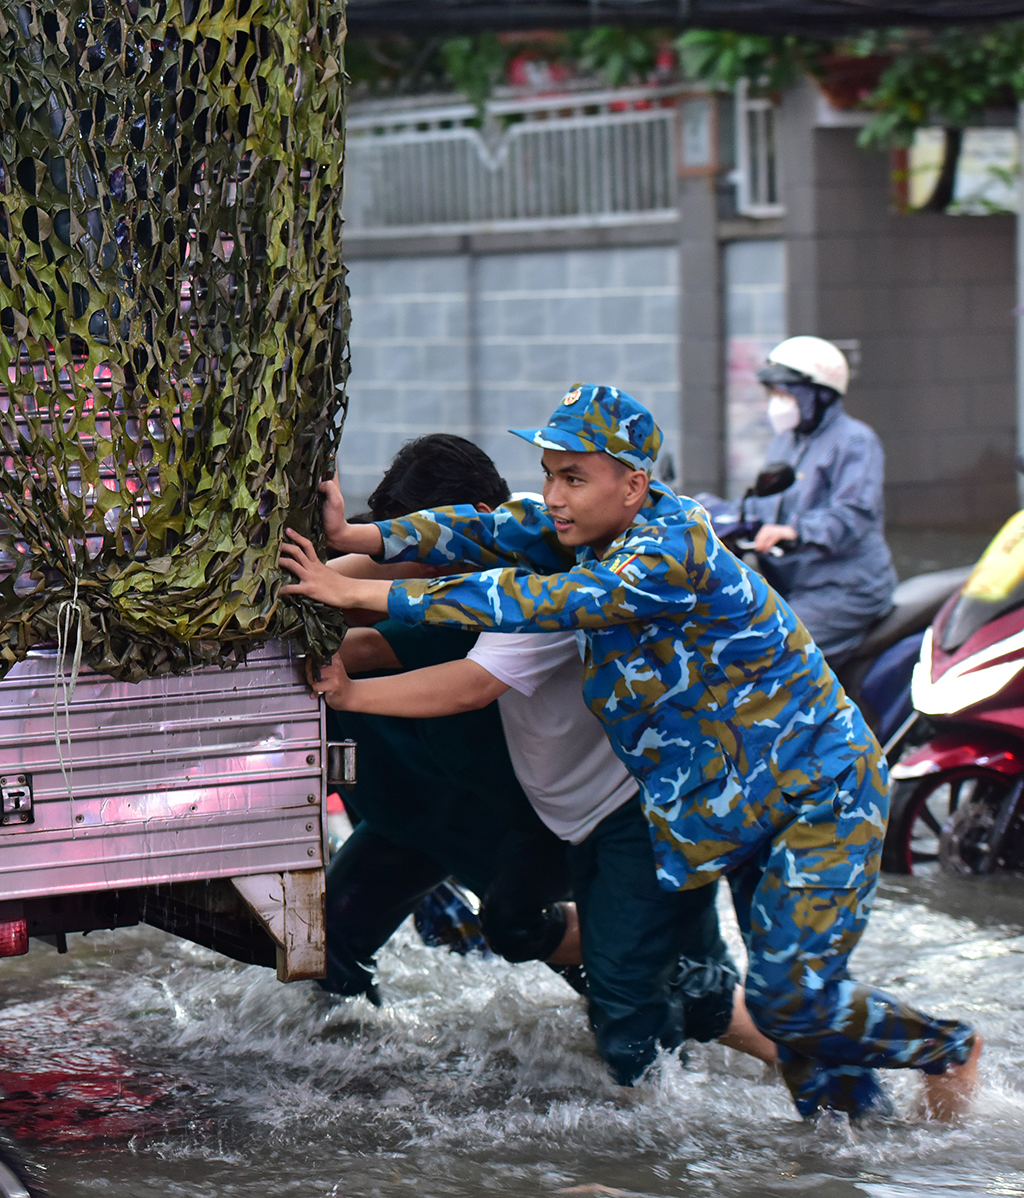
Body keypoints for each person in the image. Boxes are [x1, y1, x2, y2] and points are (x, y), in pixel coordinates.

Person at [280, 384, 981, 1121]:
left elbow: (522, 603)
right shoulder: (581, 526)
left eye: (573, 476)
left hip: (817, 785)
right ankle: (864, 1142)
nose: (552, 494)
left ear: (635, 483)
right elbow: (487, 526)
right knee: (784, 1026)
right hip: (728, 803)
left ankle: (946, 1046)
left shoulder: (660, 556)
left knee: (789, 996)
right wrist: (357, 541)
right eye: (549, 472)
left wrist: (353, 593)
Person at [317, 436, 777, 1083]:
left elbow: (432, 659)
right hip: (514, 815)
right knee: (515, 929)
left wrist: (345, 669)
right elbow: (378, 576)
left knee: (687, 990)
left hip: (640, 806)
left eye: (575, 483)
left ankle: (803, 1066)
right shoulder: (508, 549)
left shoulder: (550, 577)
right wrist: (327, 560)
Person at [317, 436, 581, 1002]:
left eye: (425, 537)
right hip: (414, 816)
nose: (407, 551)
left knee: (601, 969)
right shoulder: (413, 569)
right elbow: (351, 584)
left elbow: (369, 642)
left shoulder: (528, 590)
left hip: (513, 824)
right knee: (328, 942)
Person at [705, 336, 898, 662]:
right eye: (774, 393)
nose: (777, 402)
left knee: (766, 656)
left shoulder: (855, 441)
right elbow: (761, 503)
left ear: (818, 394)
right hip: (790, 585)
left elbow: (854, 514)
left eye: (785, 393)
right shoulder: (786, 442)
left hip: (843, 589)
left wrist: (794, 532)